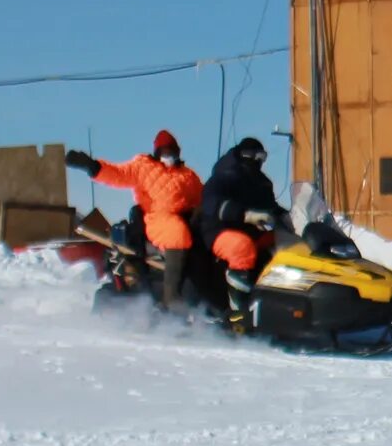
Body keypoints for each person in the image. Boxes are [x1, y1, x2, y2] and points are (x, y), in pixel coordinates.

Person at [68, 131, 204, 310]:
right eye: (164, 151)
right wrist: (93, 167)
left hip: (186, 218)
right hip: (157, 218)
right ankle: (172, 299)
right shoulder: (144, 166)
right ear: (156, 152)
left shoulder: (188, 175)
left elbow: (203, 198)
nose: (168, 156)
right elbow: (118, 174)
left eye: (172, 152)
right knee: (176, 233)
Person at [199, 137, 288, 326]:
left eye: (262, 157)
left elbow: (270, 206)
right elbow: (211, 203)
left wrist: (288, 216)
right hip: (219, 229)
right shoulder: (225, 176)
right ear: (243, 155)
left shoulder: (263, 183)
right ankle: (238, 313)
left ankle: (281, 303)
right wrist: (244, 214)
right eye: (254, 156)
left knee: (285, 245)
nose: (258, 161)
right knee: (242, 248)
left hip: (252, 231)